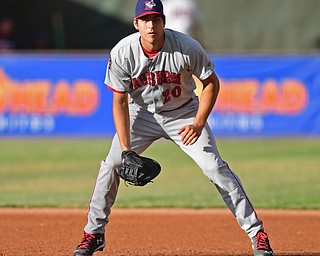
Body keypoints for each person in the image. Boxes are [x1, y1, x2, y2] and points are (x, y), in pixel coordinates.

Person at [73, 0, 274, 256]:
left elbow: (211, 83)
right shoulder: (123, 52)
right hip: (141, 114)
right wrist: (126, 151)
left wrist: (199, 122)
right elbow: (120, 101)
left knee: (215, 167)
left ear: (164, 22)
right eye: (145, 20)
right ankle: (94, 233)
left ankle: (257, 234)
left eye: (155, 19)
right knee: (112, 165)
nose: (151, 25)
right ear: (136, 24)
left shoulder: (186, 47)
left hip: (183, 114)